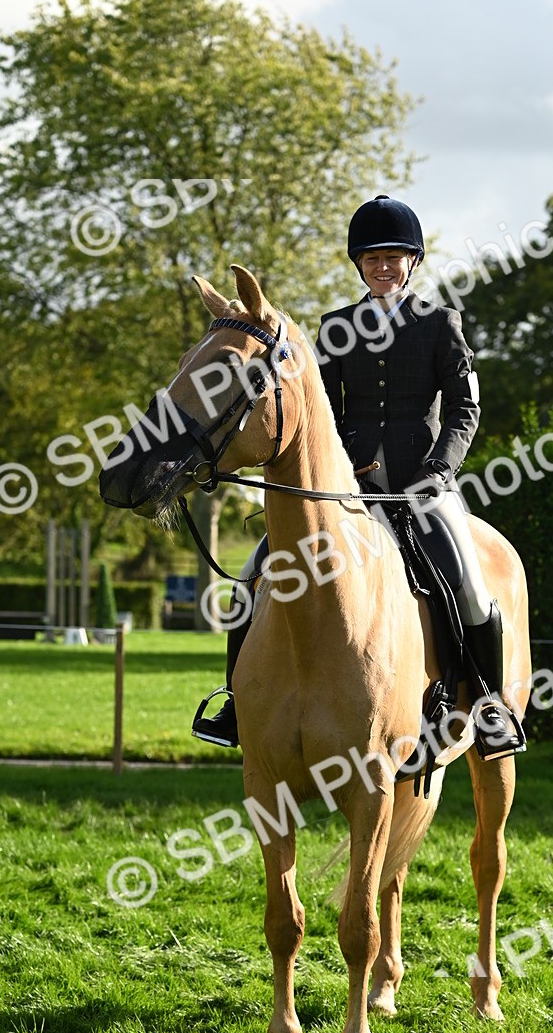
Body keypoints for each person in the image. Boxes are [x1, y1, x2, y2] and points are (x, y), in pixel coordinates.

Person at [192, 194, 515, 759]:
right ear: (359, 265)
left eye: (394, 257)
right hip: (348, 488)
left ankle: (488, 705)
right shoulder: (336, 327)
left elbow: (466, 407)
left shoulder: (441, 324)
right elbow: (322, 413)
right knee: (254, 574)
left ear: (412, 262)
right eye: (372, 258)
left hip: (423, 485)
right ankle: (236, 702)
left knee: (466, 579)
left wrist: (440, 468)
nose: (383, 267)